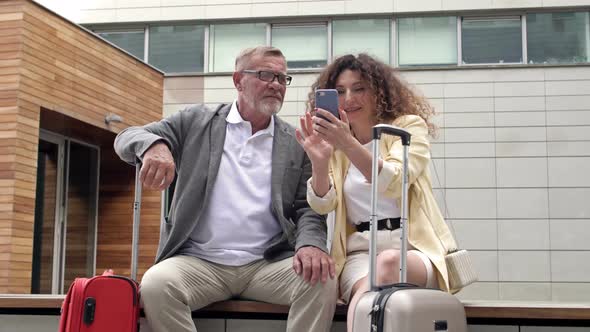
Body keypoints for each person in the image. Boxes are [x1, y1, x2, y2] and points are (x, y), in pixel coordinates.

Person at [114, 46, 337, 332]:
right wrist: (154, 146)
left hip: (266, 264)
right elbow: (126, 137)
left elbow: (307, 208)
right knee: (156, 285)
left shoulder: (295, 141)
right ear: (237, 80)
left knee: (321, 278)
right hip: (199, 262)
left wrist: (310, 244)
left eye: (282, 79)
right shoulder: (196, 122)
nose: (276, 85)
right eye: (266, 75)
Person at [295, 53, 460, 331]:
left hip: (413, 248)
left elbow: (395, 179)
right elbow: (324, 204)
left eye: (360, 88)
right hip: (359, 254)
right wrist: (320, 163)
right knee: (367, 298)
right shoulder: (334, 144)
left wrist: (347, 143)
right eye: (339, 91)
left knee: (387, 265)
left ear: (379, 91)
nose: (349, 98)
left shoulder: (406, 128)